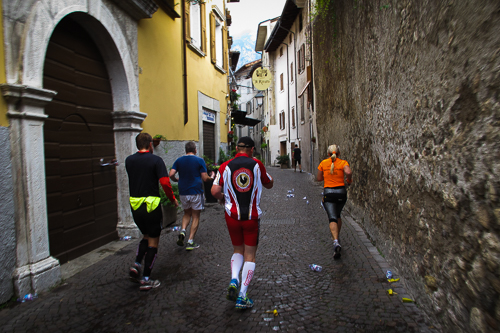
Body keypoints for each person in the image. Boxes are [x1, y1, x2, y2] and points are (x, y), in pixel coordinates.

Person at [211, 137, 274, 310]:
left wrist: (224, 198)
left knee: (237, 250)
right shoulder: (256, 164)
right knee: (250, 255)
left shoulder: (224, 166)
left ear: (237, 148)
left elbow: (214, 190)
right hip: (251, 217)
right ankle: (242, 296)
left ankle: (234, 279)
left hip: (232, 216)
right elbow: (269, 183)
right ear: (252, 149)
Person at [125, 133, 179, 290]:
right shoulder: (156, 160)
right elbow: (165, 183)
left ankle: (136, 264)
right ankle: (146, 279)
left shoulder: (129, 160)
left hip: (135, 206)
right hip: (151, 206)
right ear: (150, 144)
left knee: (146, 236)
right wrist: (173, 199)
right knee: (153, 242)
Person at [169, 141, 212, 250]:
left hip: (183, 191)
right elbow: (205, 178)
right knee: (196, 216)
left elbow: (171, 174)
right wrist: (212, 176)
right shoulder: (199, 161)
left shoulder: (179, 160)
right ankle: (190, 241)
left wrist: (176, 179)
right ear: (195, 150)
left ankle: (183, 231)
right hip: (196, 191)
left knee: (187, 213)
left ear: (186, 150)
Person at [316, 144, 352, 259]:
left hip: (329, 193)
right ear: (339, 153)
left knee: (332, 217)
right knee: (338, 214)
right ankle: (337, 237)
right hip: (341, 192)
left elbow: (319, 179)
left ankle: (335, 241)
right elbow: (349, 172)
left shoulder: (323, 163)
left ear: (328, 154)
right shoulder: (343, 163)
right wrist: (348, 180)